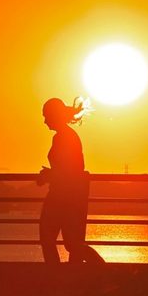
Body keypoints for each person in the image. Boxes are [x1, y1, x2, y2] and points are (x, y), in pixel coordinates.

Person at [37, 97, 105, 264]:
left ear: (54, 116)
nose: (45, 121)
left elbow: (70, 170)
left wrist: (49, 175)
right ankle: (100, 268)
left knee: (55, 240)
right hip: (67, 196)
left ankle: (99, 268)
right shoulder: (66, 136)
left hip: (62, 196)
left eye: (46, 116)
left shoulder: (64, 137)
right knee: (69, 243)